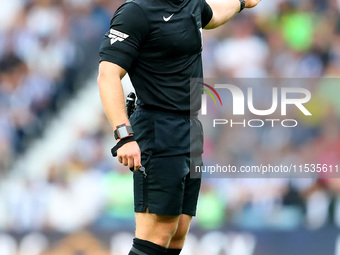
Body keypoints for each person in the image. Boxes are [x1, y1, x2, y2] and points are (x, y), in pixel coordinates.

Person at [97, 0, 261, 254]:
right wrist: (124, 136)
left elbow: (214, 15)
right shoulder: (136, 11)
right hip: (157, 128)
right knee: (156, 235)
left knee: (177, 234)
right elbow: (107, 74)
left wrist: (241, 3)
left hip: (190, 128)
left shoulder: (191, 3)